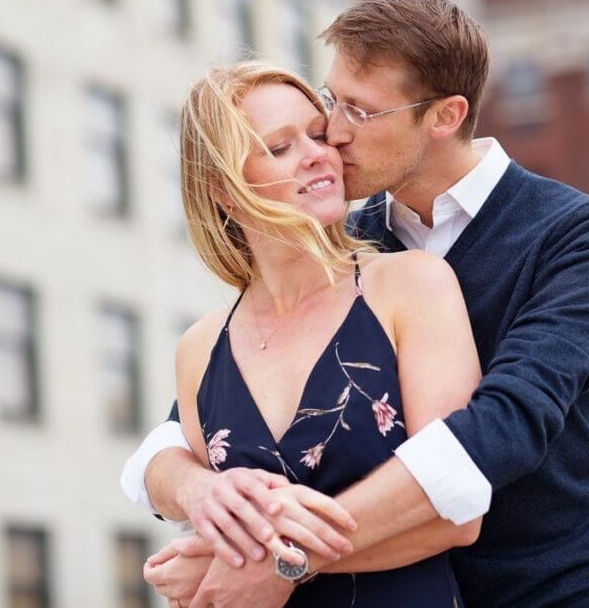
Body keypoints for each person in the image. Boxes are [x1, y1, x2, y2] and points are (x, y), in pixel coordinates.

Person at [127, 0, 589, 607]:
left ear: (445, 116)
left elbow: (506, 421)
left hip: (551, 591)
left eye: (360, 113)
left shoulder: (576, 234)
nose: (334, 135)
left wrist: (286, 559)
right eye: (331, 102)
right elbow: (180, 434)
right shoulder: (347, 241)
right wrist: (195, 494)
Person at [151, 60, 484, 607]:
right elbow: (211, 530)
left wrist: (281, 564)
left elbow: (457, 513)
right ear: (224, 190)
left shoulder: (411, 286)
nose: (317, 154)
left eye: (317, 133)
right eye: (279, 148)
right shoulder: (199, 349)